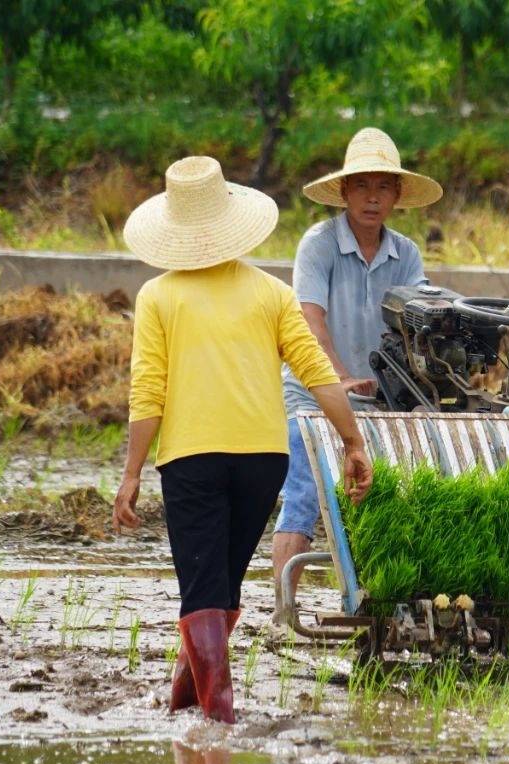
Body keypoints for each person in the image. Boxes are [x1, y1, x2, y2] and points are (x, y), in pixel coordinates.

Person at [112, 154, 373, 724]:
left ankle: (220, 720)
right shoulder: (271, 293)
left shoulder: (158, 296)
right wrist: (352, 441)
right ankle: (187, 697)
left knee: (203, 587)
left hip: (191, 459)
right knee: (223, 585)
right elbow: (315, 370)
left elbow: (147, 391)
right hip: (263, 460)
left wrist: (132, 472)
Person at [270, 127, 443, 631]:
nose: (372, 197)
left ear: (396, 196)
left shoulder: (406, 254)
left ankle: (372, 603)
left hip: (381, 395)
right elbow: (309, 320)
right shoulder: (319, 245)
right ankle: (283, 614)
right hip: (313, 391)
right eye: (362, 185)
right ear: (344, 192)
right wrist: (339, 378)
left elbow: (419, 322)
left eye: (383, 187)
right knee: (304, 492)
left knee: (377, 495)